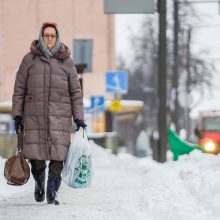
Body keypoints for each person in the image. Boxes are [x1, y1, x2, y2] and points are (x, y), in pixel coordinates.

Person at [12, 22, 87, 205]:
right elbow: (19, 89)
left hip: (59, 117)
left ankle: (53, 189)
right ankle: (39, 182)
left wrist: (79, 118)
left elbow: (76, 92)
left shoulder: (66, 62)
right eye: (46, 35)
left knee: (58, 155)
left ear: (58, 37)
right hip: (34, 116)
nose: (50, 39)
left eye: (53, 35)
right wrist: (18, 115)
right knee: (36, 156)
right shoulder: (29, 60)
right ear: (41, 36)